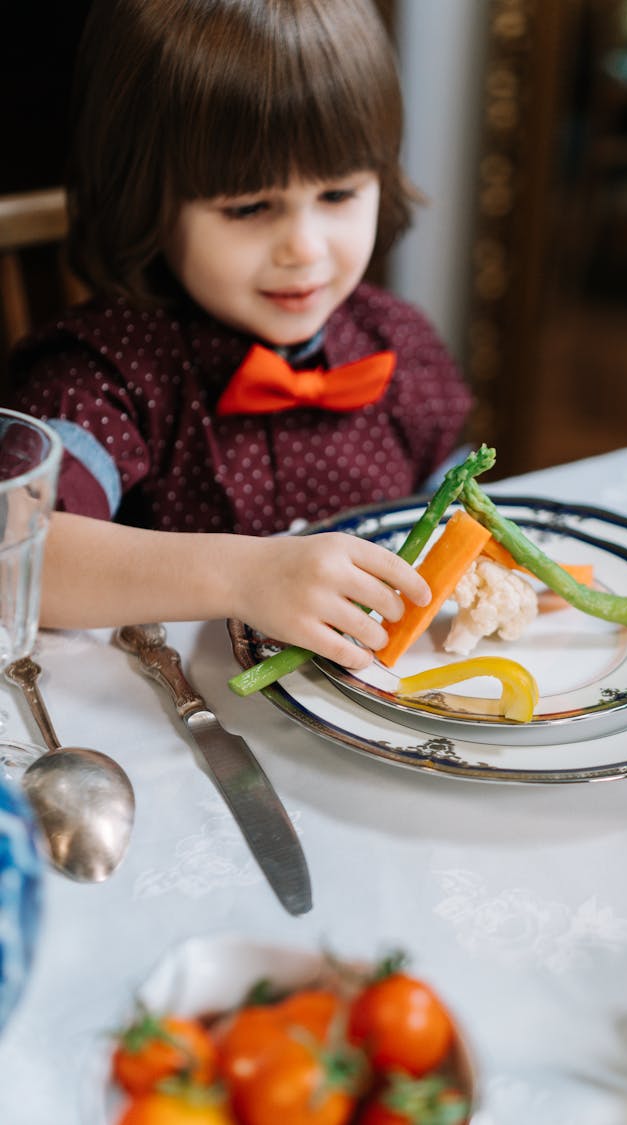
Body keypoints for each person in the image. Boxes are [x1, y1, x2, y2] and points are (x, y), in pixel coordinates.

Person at [7, 0, 473, 671]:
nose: (305, 249)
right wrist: (242, 574)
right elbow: (18, 556)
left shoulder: (401, 344)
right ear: (147, 198)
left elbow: (452, 516)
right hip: (177, 723)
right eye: (250, 207)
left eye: (339, 194)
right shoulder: (104, 371)